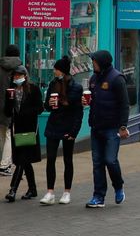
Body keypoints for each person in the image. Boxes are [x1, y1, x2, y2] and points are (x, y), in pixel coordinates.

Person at [84, 50, 129, 208]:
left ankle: (118, 186)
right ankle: (98, 196)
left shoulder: (117, 79)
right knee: (97, 163)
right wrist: (86, 102)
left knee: (110, 160)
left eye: (94, 61)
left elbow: (124, 105)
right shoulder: (94, 79)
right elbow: (94, 101)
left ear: (101, 62)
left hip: (112, 128)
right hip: (96, 127)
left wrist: (123, 126)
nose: (92, 63)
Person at [39, 56, 84, 205]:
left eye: (56, 69)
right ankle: (50, 192)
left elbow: (78, 111)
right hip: (53, 125)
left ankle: (66, 192)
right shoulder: (53, 84)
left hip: (68, 126)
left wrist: (74, 132)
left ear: (63, 71)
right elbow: (46, 106)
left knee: (67, 159)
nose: (54, 71)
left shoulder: (76, 87)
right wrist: (50, 104)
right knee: (50, 159)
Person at [4, 65, 43, 202]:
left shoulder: (33, 89)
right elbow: (7, 112)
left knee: (21, 160)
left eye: (19, 76)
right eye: (15, 76)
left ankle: (12, 190)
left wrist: (24, 113)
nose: (17, 78)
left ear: (25, 76)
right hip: (17, 130)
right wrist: (9, 101)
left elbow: (40, 108)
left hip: (30, 130)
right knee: (25, 162)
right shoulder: (11, 91)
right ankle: (32, 189)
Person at [0, 45, 22, 177]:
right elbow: (22, 90)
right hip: (12, 107)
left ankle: (2, 162)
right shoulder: (20, 69)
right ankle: (5, 164)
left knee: (2, 134)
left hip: (0, 106)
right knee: (9, 135)